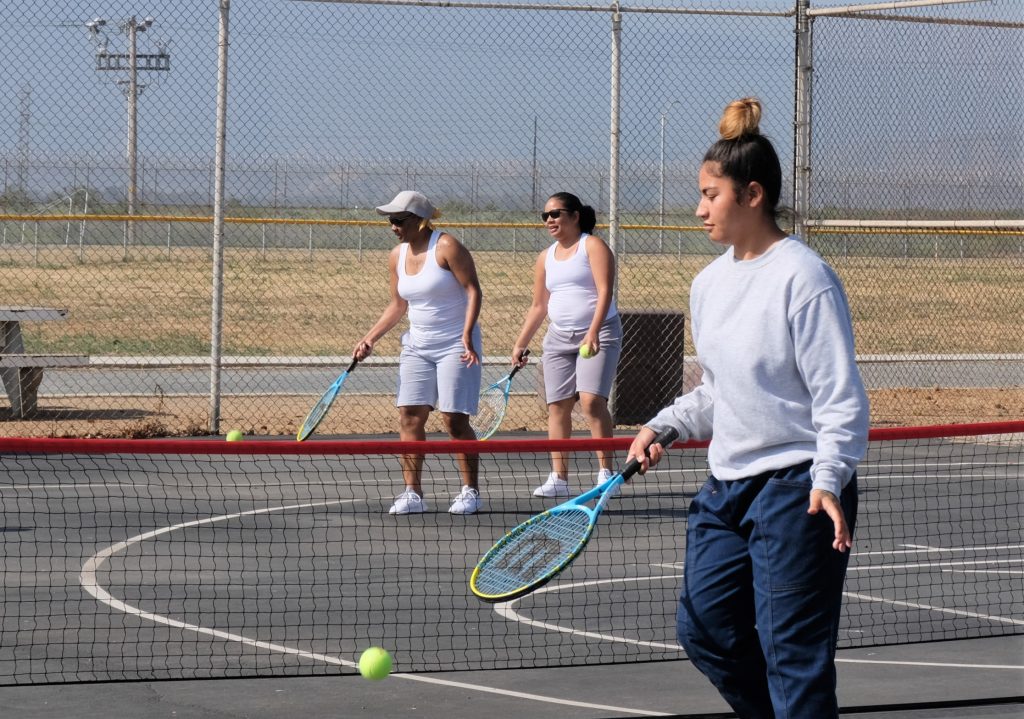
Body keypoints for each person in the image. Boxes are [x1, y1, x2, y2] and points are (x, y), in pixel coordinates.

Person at [626, 98, 869, 718]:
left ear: (752, 194)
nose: (699, 207)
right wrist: (665, 423)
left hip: (797, 489)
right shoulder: (708, 284)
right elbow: (718, 390)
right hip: (726, 489)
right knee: (704, 629)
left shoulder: (804, 277)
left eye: (711, 195)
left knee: (793, 654)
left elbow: (839, 397)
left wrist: (829, 478)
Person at [354, 190, 484, 516]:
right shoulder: (396, 255)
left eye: (398, 220)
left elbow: (473, 291)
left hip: (456, 343)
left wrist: (467, 335)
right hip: (417, 346)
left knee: (455, 421)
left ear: (418, 219)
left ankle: (470, 491)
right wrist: (370, 338)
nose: (393, 226)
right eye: (390, 221)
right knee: (409, 415)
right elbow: (398, 304)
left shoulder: (447, 247)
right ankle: (412, 492)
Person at [511, 192, 622, 498]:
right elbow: (538, 306)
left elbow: (605, 293)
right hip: (558, 337)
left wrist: (594, 331)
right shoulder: (545, 257)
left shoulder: (593, 246)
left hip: (600, 333)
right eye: (546, 216)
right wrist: (521, 343)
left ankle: (606, 474)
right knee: (557, 406)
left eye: (557, 214)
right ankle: (559, 478)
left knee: (590, 402)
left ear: (574, 216)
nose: (550, 220)